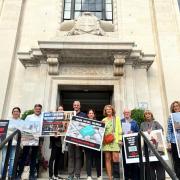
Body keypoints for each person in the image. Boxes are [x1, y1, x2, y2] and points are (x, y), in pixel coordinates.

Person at [17, 104, 43, 180]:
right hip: (28, 138)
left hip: (37, 139)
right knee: (24, 156)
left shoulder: (42, 117)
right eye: (36, 109)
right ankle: (19, 174)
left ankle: (32, 175)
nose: (38, 110)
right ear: (34, 109)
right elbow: (24, 126)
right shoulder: (29, 117)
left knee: (34, 157)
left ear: (40, 110)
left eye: (39, 109)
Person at [140, 110, 165, 180]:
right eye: (146, 114)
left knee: (159, 166)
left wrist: (152, 132)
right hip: (147, 149)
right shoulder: (142, 124)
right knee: (150, 168)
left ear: (151, 115)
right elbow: (141, 134)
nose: (148, 115)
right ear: (144, 116)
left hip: (157, 148)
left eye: (149, 114)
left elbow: (161, 132)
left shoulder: (156, 123)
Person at [67, 100, 86, 180]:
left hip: (79, 139)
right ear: (73, 106)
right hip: (70, 138)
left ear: (80, 106)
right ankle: (70, 175)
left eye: (77, 105)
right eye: (75, 105)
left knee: (78, 157)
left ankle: (77, 175)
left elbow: (85, 127)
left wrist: (80, 139)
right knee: (71, 157)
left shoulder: (84, 115)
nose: (76, 106)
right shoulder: (69, 114)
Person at [102, 105, 122, 180]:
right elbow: (102, 131)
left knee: (116, 158)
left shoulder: (117, 119)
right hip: (107, 141)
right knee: (107, 159)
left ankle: (116, 177)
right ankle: (110, 177)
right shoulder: (104, 120)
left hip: (115, 141)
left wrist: (120, 139)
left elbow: (120, 129)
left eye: (110, 109)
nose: (108, 111)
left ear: (112, 110)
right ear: (105, 111)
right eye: (107, 110)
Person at [1, 107, 22, 180]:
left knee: (12, 159)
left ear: (19, 113)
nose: (16, 112)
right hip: (6, 142)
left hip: (15, 143)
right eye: (14, 111)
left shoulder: (22, 121)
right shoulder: (7, 120)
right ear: (12, 112)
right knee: (4, 159)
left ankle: (10, 175)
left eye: (17, 111)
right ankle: (2, 175)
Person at [121, 108, 139, 180]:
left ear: (130, 113)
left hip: (132, 144)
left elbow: (138, 132)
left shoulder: (134, 122)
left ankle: (134, 178)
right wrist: (120, 135)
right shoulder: (120, 121)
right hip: (124, 144)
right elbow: (118, 132)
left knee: (133, 161)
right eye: (125, 112)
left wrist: (133, 133)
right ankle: (127, 177)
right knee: (126, 162)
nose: (127, 113)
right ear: (123, 114)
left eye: (128, 112)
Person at [84, 109, 101, 180]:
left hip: (96, 144)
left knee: (98, 160)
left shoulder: (98, 123)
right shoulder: (84, 123)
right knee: (88, 160)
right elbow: (83, 133)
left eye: (92, 113)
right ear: (88, 115)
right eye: (89, 113)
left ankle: (99, 175)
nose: (91, 114)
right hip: (87, 144)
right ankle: (89, 176)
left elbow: (100, 133)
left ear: (94, 115)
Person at [49, 105, 64, 180]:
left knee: (58, 159)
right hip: (55, 141)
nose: (61, 110)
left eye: (62, 109)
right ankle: (51, 175)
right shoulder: (53, 118)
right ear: (57, 111)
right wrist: (53, 134)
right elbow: (49, 128)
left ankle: (56, 174)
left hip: (61, 142)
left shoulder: (64, 119)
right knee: (52, 159)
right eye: (59, 109)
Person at [167, 101, 180, 179]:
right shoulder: (171, 117)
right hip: (174, 142)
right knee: (176, 161)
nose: (176, 107)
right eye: (174, 106)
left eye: (177, 106)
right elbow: (169, 130)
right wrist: (168, 141)